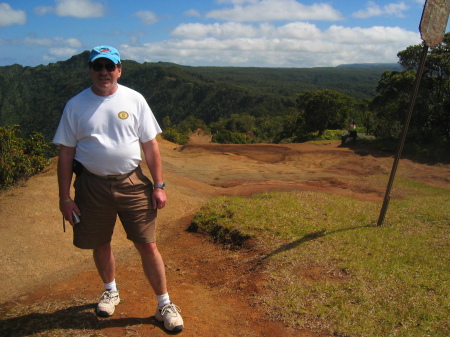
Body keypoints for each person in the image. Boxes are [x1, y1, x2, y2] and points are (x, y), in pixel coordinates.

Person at [53, 46, 184, 332]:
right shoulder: (75, 105)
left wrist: (159, 185)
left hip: (132, 182)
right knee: (100, 241)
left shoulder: (134, 99)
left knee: (147, 243)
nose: (104, 72)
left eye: (109, 67)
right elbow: (65, 153)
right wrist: (65, 198)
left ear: (119, 70)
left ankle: (164, 304)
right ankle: (110, 290)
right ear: (90, 70)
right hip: (91, 184)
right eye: (98, 67)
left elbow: (150, 145)